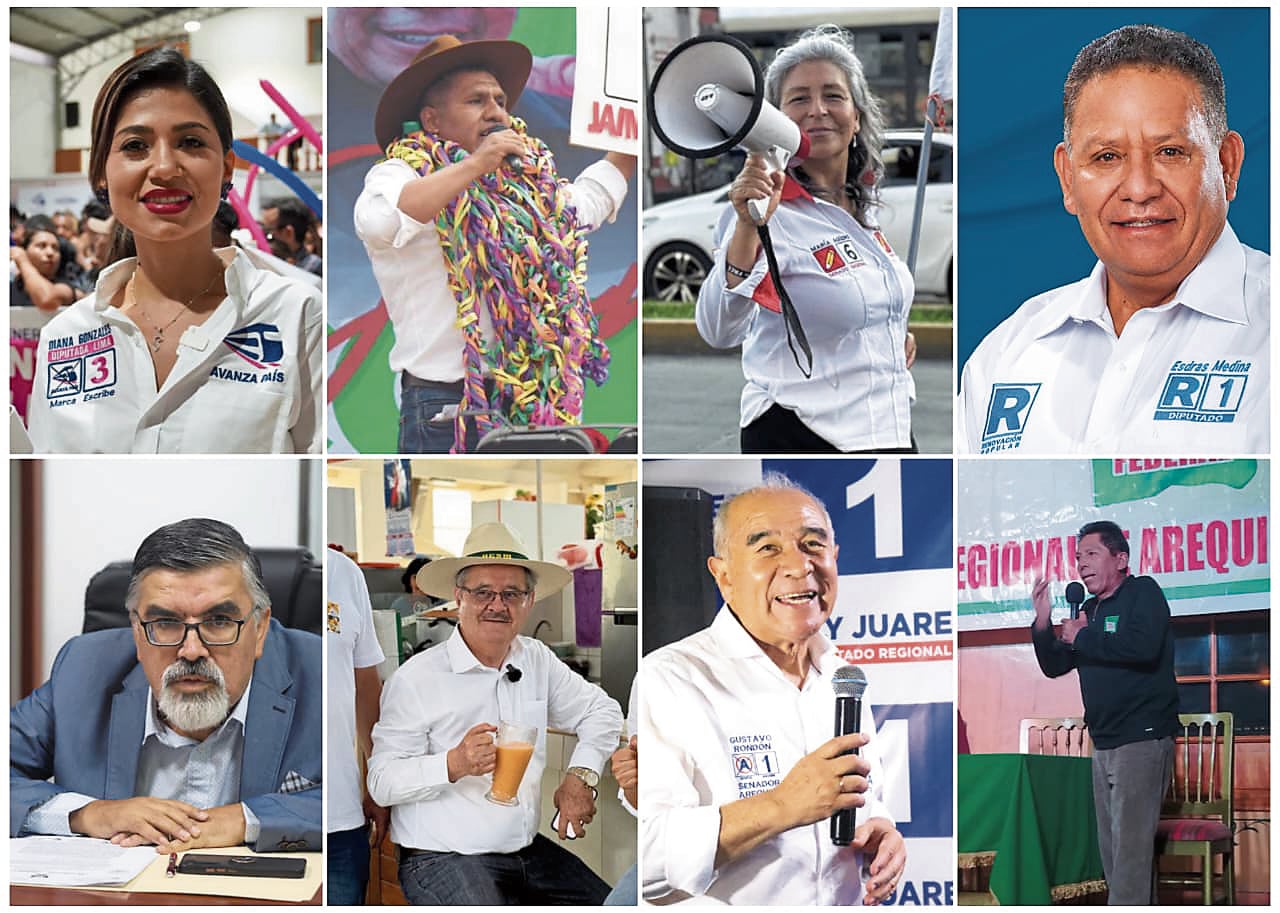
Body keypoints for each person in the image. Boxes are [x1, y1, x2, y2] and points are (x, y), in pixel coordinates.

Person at [959, 25, 1268, 454]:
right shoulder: (1004, 357)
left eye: (1170, 152)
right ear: (1068, 178)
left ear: (1227, 164)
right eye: (1107, 157)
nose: (1139, 188)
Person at [25, 47, 323, 454]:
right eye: (135, 146)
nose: (164, 168)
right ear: (100, 171)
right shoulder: (66, 335)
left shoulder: (296, 315)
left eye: (190, 142)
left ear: (226, 167)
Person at [354, 34, 636, 453]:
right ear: (431, 120)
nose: (496, 112)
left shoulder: (525, 187)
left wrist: (628, 130)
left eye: (501, 100)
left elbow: (584, 204)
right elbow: (380, 220)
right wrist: (476, 164)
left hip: (525, 399)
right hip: (445, 406)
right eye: (476, 101)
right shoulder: (399, 171)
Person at [641, 473, 905, 905]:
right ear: (723, 576)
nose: (799, 566)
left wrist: (881, 827)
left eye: (813, 545)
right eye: (767, 548)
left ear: (835, 558)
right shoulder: (671, 678)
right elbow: (648, 858)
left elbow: (867, 798)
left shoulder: (844, 677)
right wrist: (782, 806)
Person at [10, 518, 322, 853]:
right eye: (165, 623)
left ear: (259, 629)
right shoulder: (82, 669)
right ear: (136, 630)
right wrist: (89, 814)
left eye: (218, 621)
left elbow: (348, 796)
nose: (191, 651)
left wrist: (248, 819)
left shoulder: (317, 668)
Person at [367, 521, 624, 905]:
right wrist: (453, 763)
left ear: (529, 600)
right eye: (484, 592)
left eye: (511, 594)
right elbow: (381, 782)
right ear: (459, 597)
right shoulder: (416, 678)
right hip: (441, 857)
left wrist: (580, 775)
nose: (497, 605)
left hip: (524, 852)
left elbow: (602, 711)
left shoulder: (535, 658)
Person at [695, 25, 917, 454]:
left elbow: (854, 308)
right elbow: (718, 329)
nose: (817, 110)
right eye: (798, 98)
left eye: (833, 95)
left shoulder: (863, 208)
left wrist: (890, 332)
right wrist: (747, 225)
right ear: (776, 119)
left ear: (857, 117)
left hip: (886, 429)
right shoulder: (761, 212)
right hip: (801, 435)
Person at [1030, 521, 1179, 905]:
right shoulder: (1088, 611)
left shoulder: (1143, 593)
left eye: (1091, 554)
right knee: (1112, 849)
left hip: (1142, 739)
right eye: (1078, 557)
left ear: (1121, 558)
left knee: (1130, 853)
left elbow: (1142, 648)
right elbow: (1054, 665)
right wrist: (1044, 623)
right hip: (1104, 740)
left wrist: (1083, 636)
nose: (1081, 565)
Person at [326, 548, 389, 905]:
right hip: (243, 818)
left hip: (339, 819)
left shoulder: (345, 574)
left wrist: (378, 781)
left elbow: (366, 688)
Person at [10, 216, 90, 309]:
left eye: (55, 248)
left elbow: (46, 299)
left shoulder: (65, 288)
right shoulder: (11, 288)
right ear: (25, 250)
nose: (50, 253)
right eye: (42, 246)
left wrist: (22, 260)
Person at [261, 195, 323, 276]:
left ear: (288, 232)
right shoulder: (287, 265)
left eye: (269, 232)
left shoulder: (312, 269)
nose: (266, 240)